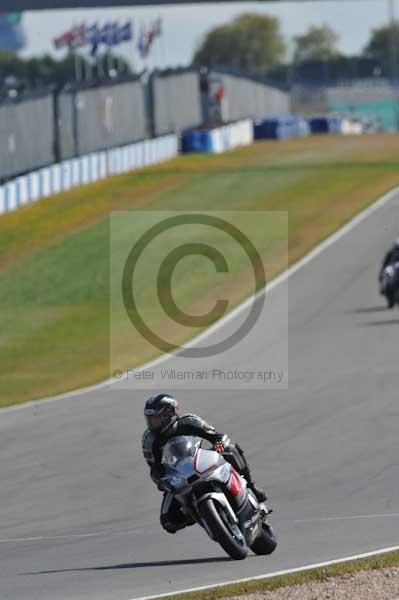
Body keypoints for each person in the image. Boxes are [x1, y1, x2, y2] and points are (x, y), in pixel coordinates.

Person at [142, 393, 267, 534]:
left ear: (169, 413)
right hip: (177, 476)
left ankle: (251, 486)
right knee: (169, 521)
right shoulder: (149, 440)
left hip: (199, 460)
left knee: (230, 450)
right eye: (150, 419)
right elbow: (154, 468)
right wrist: (162, 481)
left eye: (156, 418)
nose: (153, 423)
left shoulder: (189, 421)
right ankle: (199, 514)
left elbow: (216, 436)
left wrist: (219, 446)